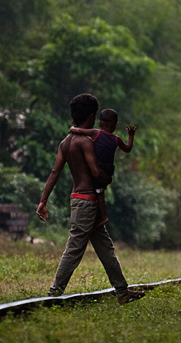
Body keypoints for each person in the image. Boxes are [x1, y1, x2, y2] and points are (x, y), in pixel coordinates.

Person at [36, 93, 145, 304]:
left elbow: (54, 173)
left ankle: (122, 292)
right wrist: (107, 177)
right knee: (75, 247)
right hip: (88, 201)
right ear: (93, 115)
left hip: (79, 198)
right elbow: (96, 172)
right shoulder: (85, 142)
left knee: (105, 247)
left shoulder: (65, 143)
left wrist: (43, 201)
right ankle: (54, 294)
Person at [68, 108, 136, 226]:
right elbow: (128, 148)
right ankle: (100, 215)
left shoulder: (96, 133)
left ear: (100, 123)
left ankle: (102, 216)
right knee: (100, 191)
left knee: (97, 191)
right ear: (116, 125)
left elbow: (80, 131)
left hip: (97, 169)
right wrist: (131, 136)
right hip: (108, 170)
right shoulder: (117, 139)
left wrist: (72, 128)